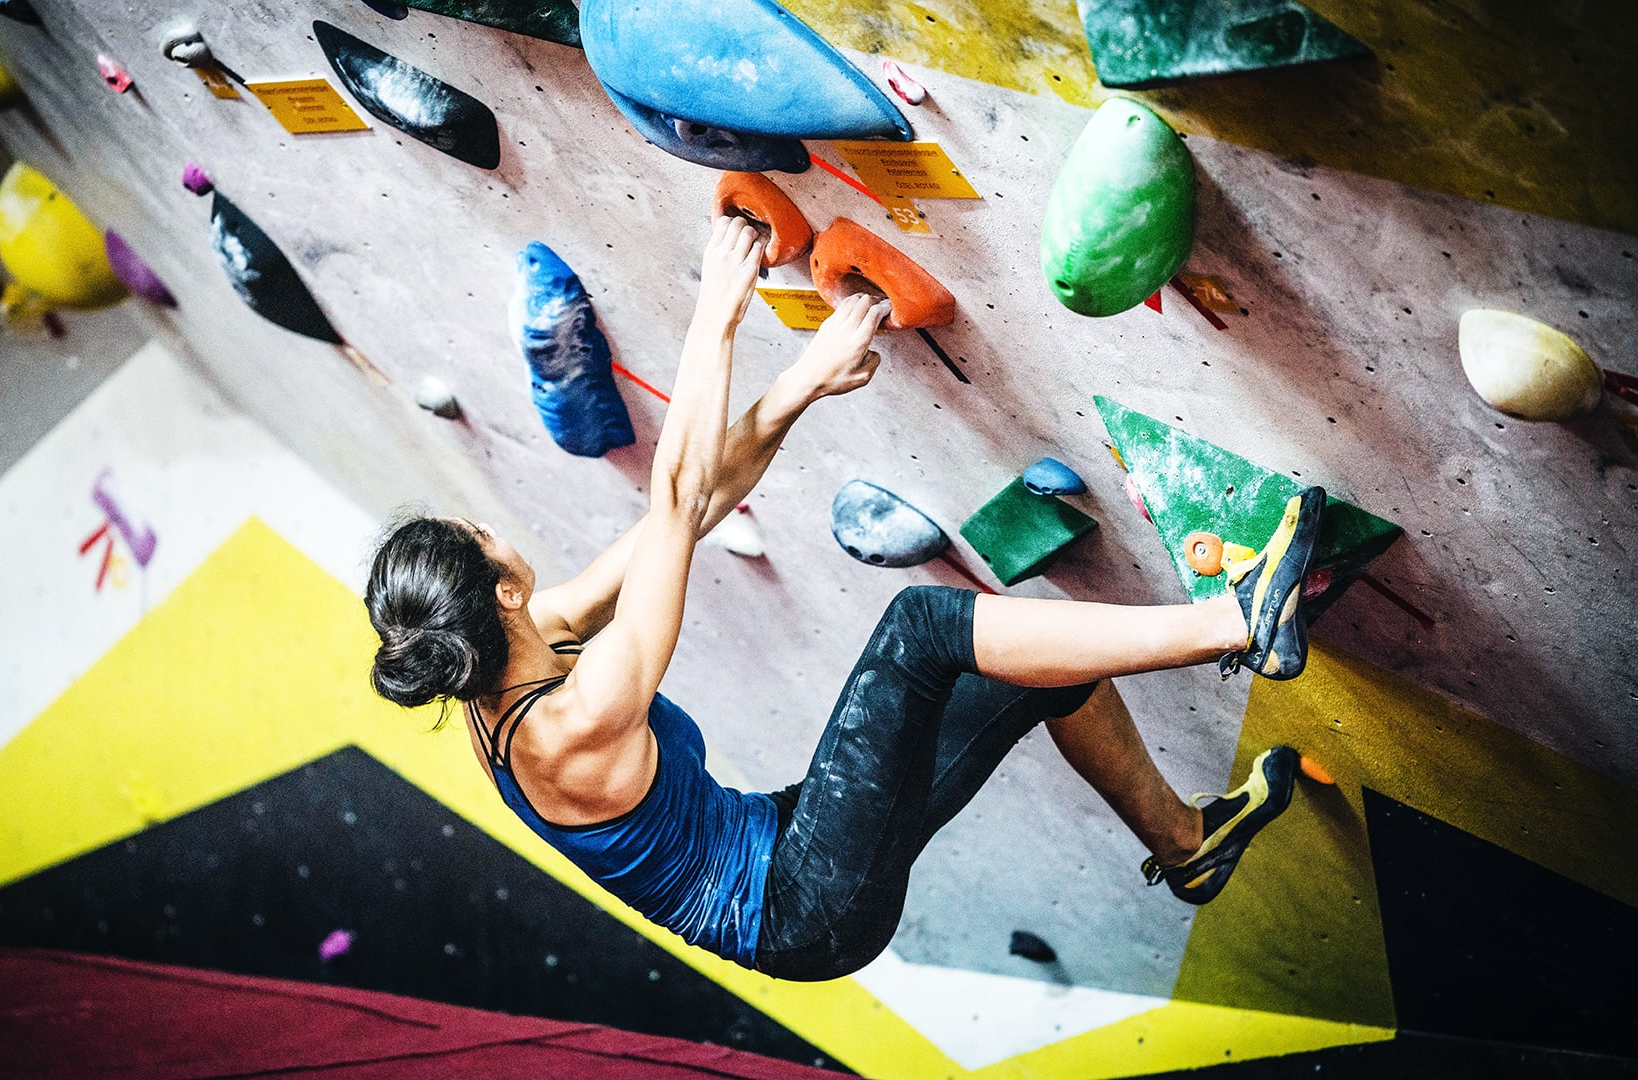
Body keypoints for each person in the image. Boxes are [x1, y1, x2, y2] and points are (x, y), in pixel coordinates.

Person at [364, 218, 1322, 982]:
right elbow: (674, 493)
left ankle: (1189, 845)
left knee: (1036, 668)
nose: (491, 530)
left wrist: (801, 387)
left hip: (793, 841)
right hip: (803, 910)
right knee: (924, 630)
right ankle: (1239, 622)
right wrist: (718, 309)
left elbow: (695, 511)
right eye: (477, 538)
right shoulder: (572, 721)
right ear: (499, 587)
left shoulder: (532, 640)